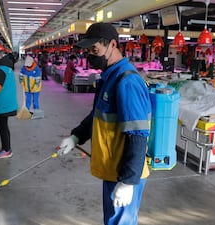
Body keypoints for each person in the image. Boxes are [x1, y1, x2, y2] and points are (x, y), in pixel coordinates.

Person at [57, 22, 151, 225]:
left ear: (113, 45)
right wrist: (76, 137)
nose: (91, 55)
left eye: (95, 49)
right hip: (113, 168)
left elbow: (138, 134)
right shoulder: (109, 77)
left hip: (123, 171)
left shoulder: (127, 81)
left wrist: (128, 180)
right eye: (88, 50)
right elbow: (97, 115)